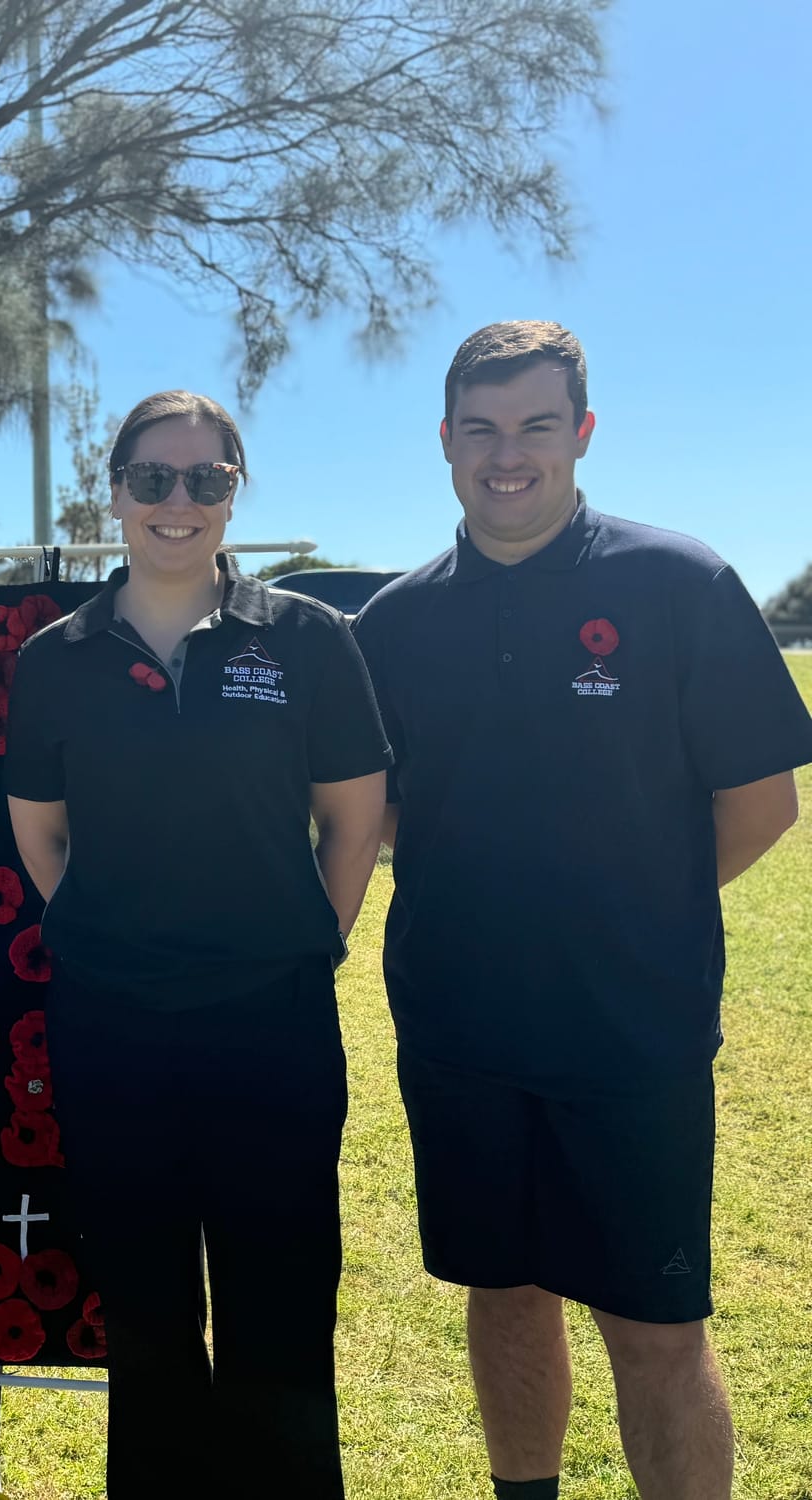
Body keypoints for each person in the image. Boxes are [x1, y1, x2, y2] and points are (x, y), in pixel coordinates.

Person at [351, 321, 812, 1500]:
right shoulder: (392, 625)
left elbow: (761, 805)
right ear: (444, 441)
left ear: (580, 433)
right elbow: (379, 810)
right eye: (481, 428)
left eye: (535, 426)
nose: (507, 455)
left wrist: (626, 903)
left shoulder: (676, 582)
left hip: (629, 1032)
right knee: (502, 1297)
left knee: (652, 1326)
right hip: (458, 1031)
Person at [5, 390, 390, 1496]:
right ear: (113, 490)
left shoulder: (308, 640)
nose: (176, 502)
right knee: (146, 1315)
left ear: (233, 494)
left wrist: (311, 935)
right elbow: (40, 833)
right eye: (153, 479)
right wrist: (112, 932)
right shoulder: (54, 657)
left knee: (279, 1309)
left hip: (271, 1024)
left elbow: (353, 817)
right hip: (109, 1029)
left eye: (205, 481)